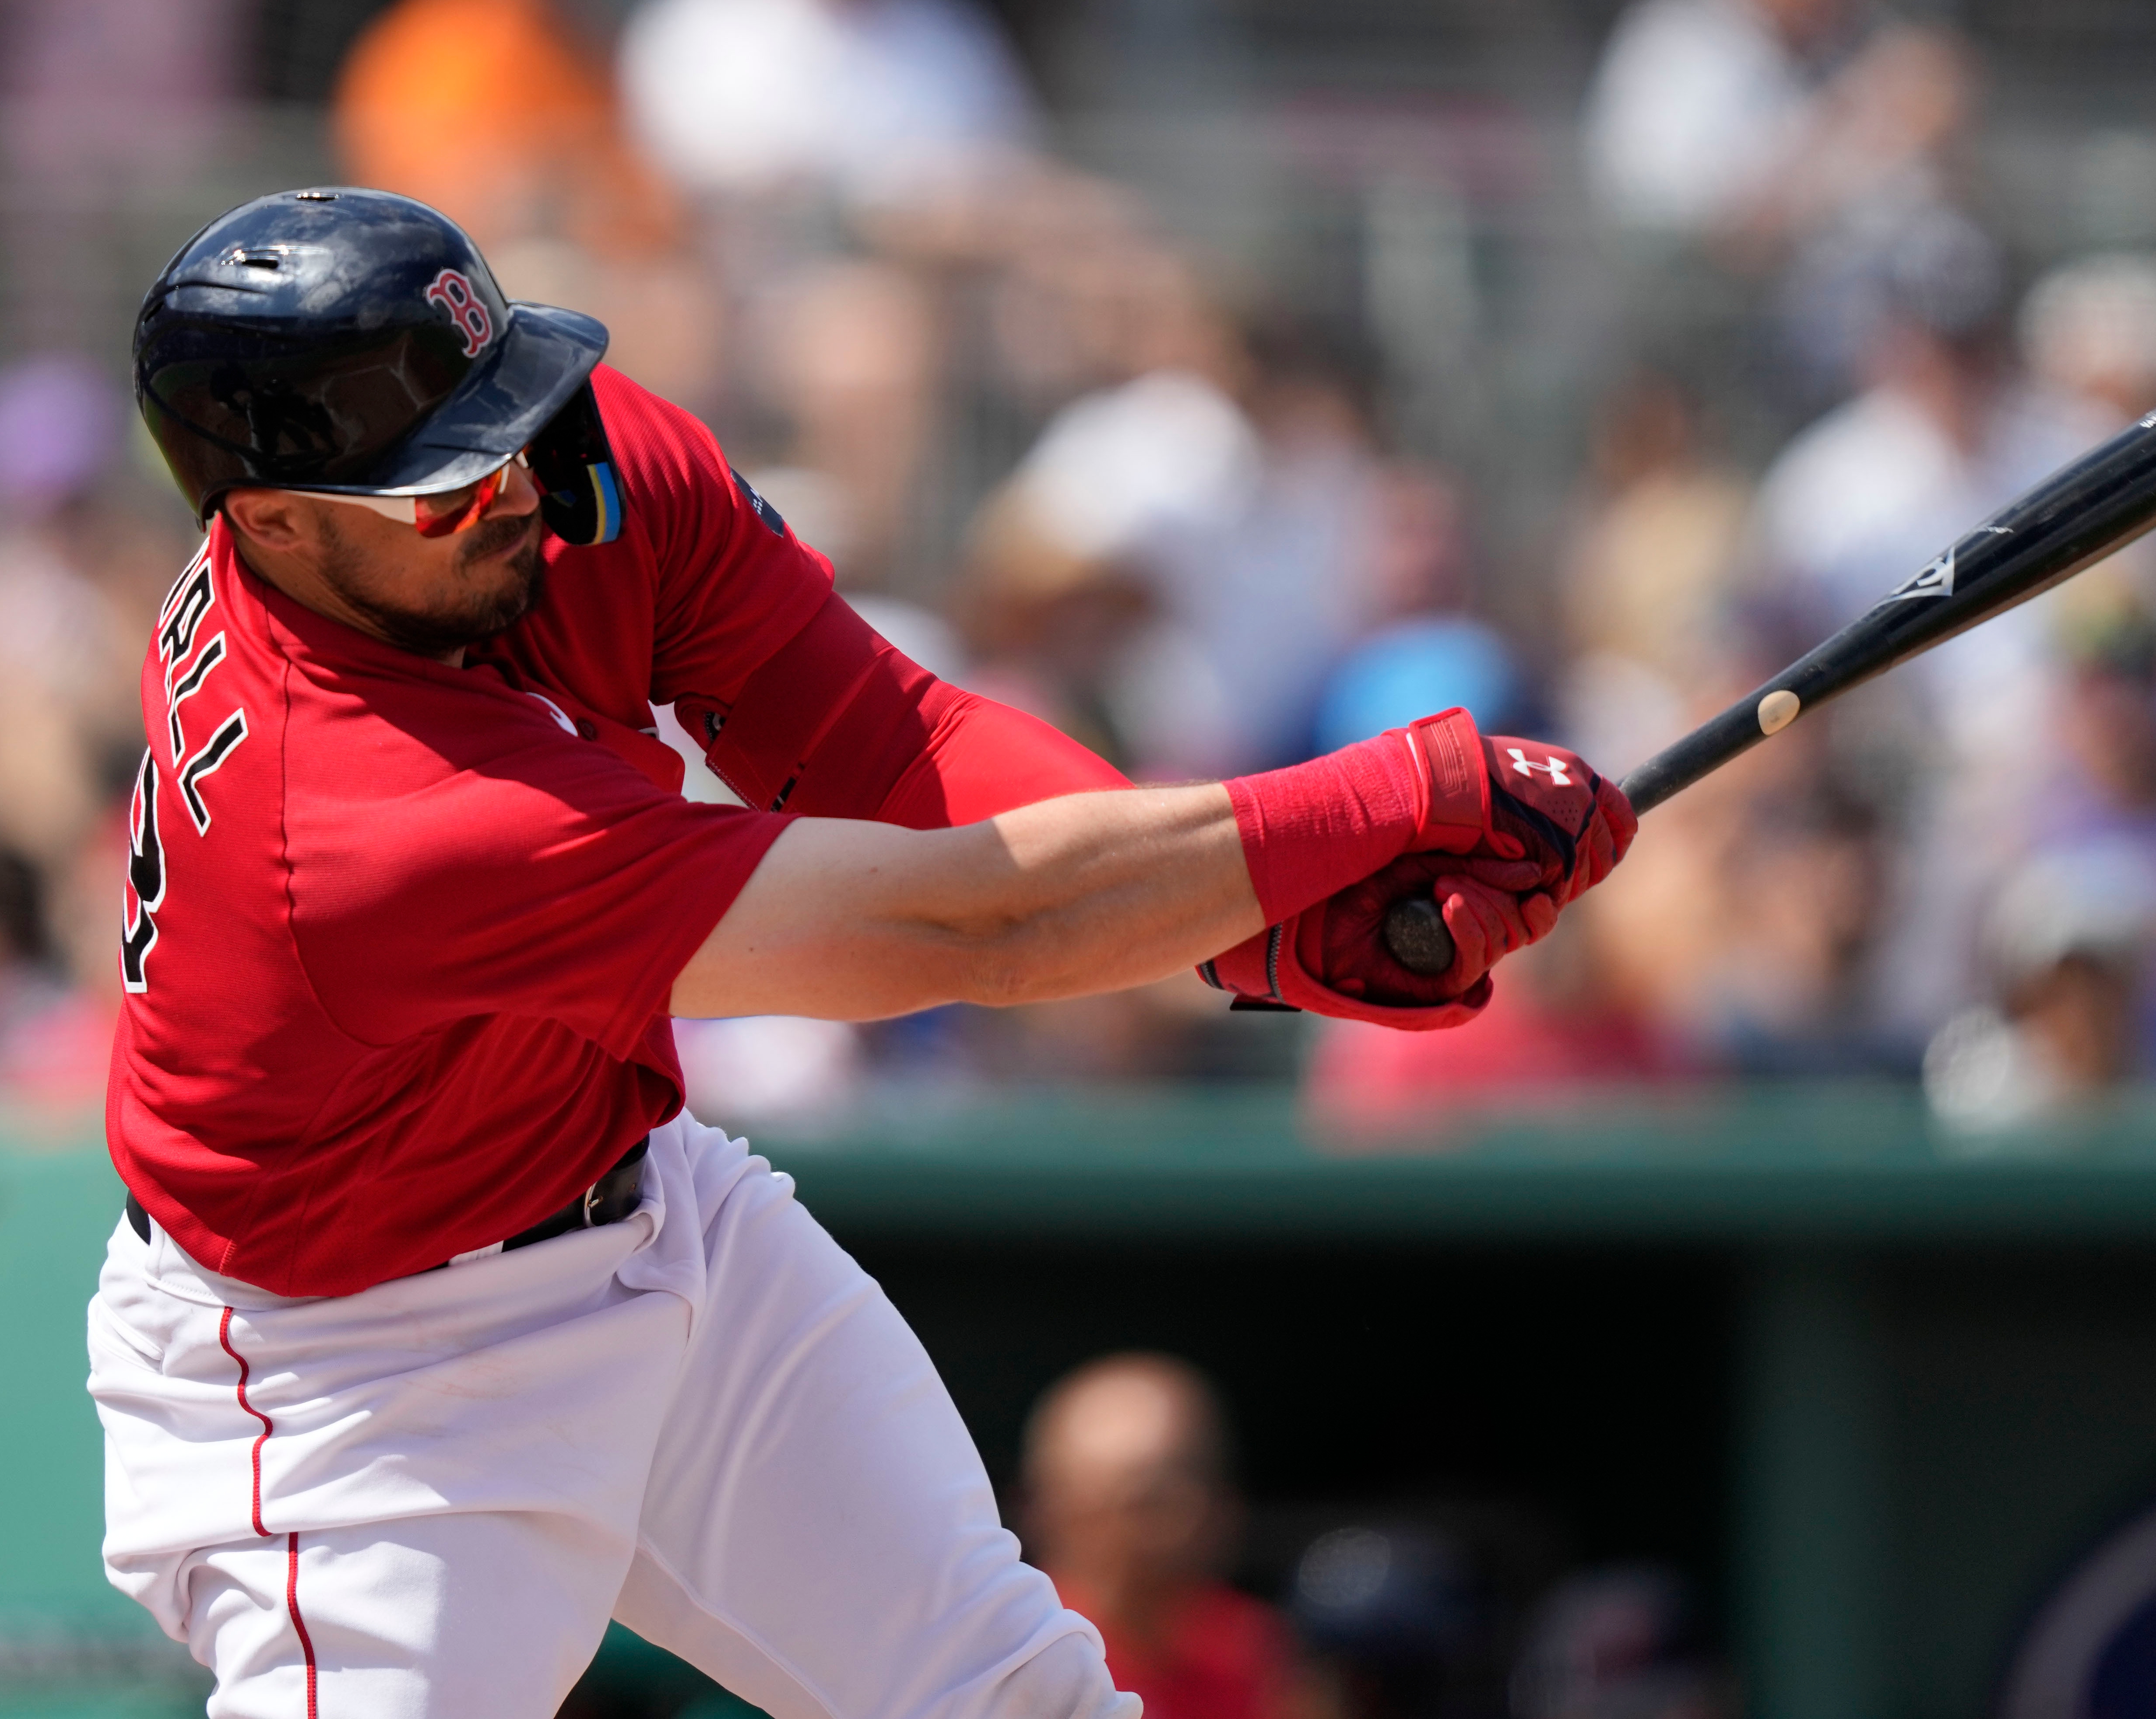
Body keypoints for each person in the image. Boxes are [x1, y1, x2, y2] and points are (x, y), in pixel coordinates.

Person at [86, 188, 1633, 1717]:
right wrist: (1387, 798)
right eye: (441, 482)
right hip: (360, 1368)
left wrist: (1246, 922)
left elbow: (890, 742)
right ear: (271, 520)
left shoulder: (573, 461)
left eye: (511, 423)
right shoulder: (362, 809)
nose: (508, 492)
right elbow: (969, 921)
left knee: (1019, 1699)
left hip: (639, 1206)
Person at [1021, 1354, 1296, 1719]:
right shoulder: (1014, 1663)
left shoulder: (1254, 1650)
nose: (1181, 1521)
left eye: (1196, 1484)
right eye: (1144, 1501)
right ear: (1048, 1510)